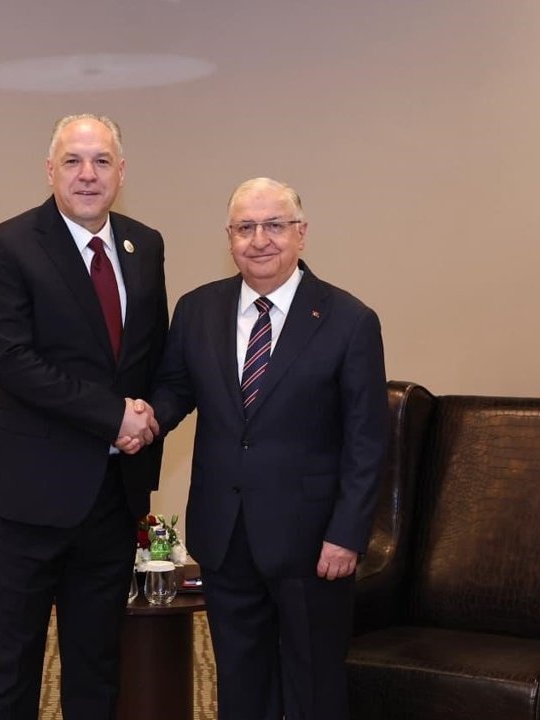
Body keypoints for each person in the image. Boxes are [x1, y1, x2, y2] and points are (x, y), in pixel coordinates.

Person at [149, 177, 388, 719]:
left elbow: (367, 440)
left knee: (312, 688)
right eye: (245, 228)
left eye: (274, 225)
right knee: (239, 682)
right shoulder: (197, 310)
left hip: (313, 543)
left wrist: (347, 534)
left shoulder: (349, 320)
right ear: (229, 238)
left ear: (301, 233)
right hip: (224, 533)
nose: (260, 240)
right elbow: (175, 391)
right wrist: (138, 420)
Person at [0, 113, 168, 719]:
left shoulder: (145, 246)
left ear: (121, 172)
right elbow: (13, 361)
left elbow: (151, 355)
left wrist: (148, 420)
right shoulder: (8, 246)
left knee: (97, 668)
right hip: (26, 498)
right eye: (73, 161)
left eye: (101, 161)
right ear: (49, 170)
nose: (88, 174)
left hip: (111, 498)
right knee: (10, 672)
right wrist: (114, 417)